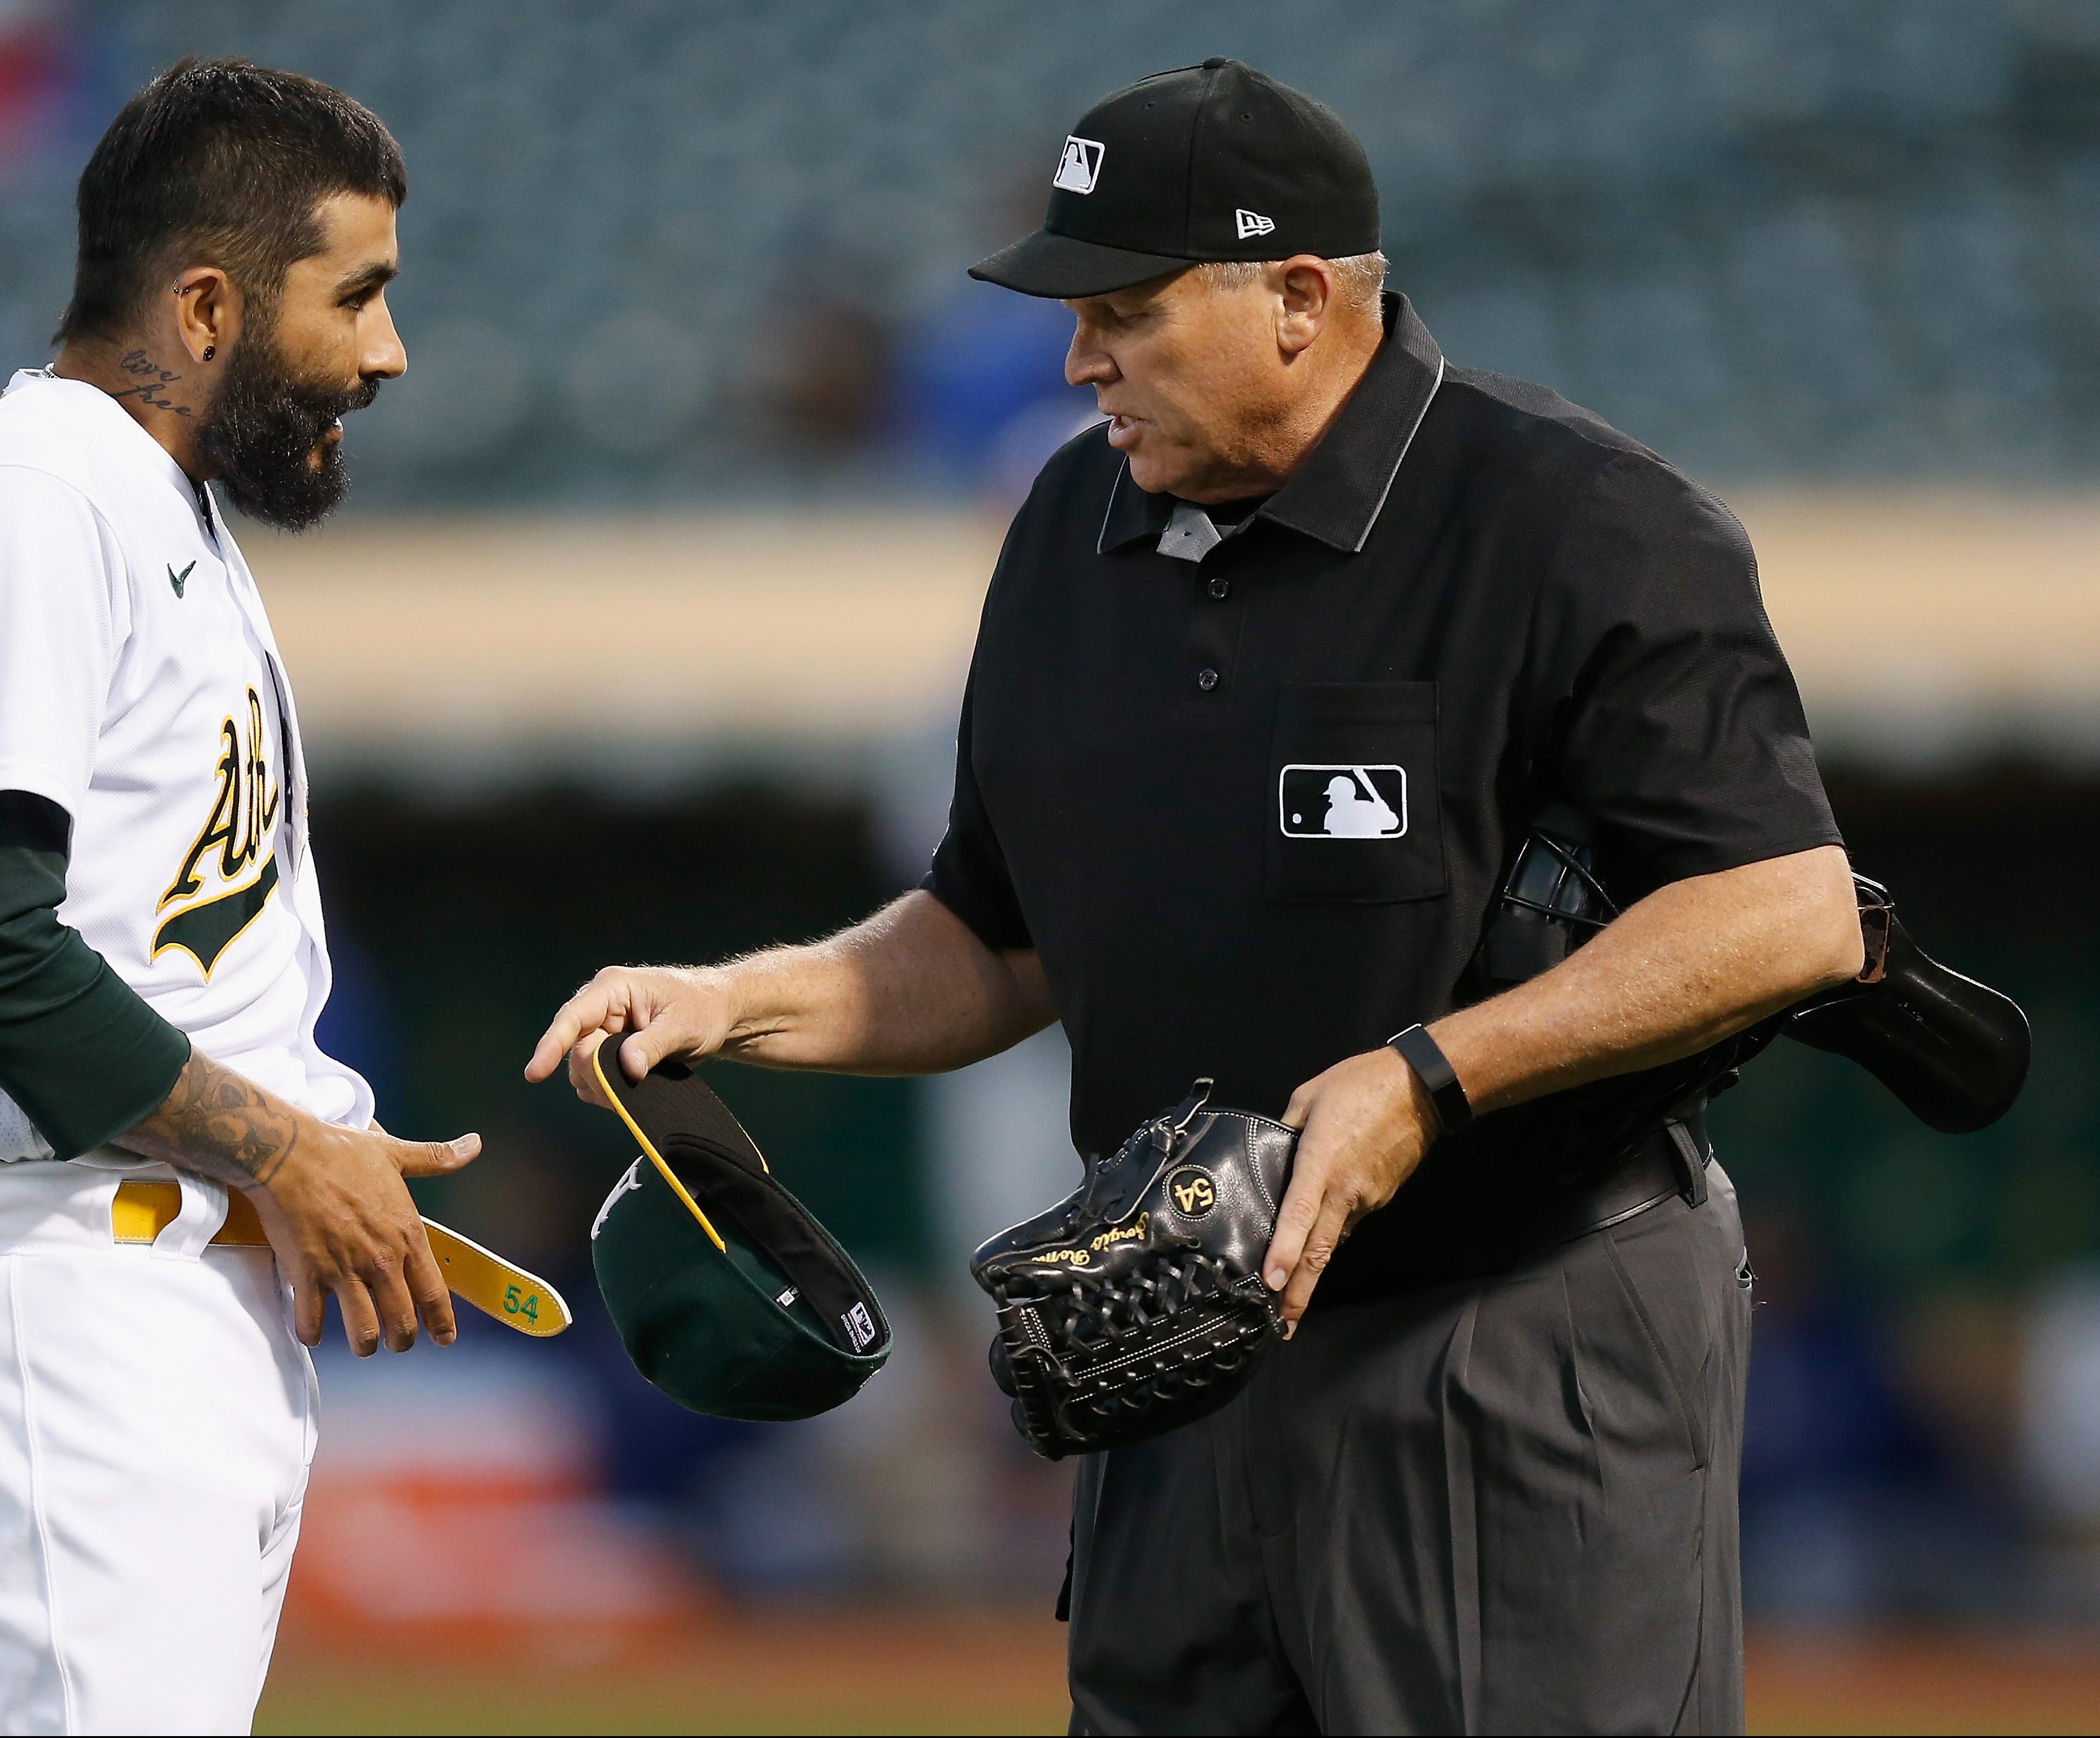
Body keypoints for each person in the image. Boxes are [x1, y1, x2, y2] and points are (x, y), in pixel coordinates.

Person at [529, 58, 1864, 1735]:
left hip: (1510, 1329)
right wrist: (743, 1001)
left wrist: (1427, 1078)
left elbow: (1788, 909)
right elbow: (993, 934)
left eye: (1128, 310)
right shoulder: (1069, 524)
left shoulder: (1573, 521)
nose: (1079, 356)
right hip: (1178, 1330)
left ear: (1301, 297)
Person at [0, 59, 479, 1734]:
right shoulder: (30, 499)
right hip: (68, 1306)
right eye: (359, 296)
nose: (387, 353)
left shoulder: (147, 507)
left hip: (166, 1313)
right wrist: (287, 1155)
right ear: (205, 303)